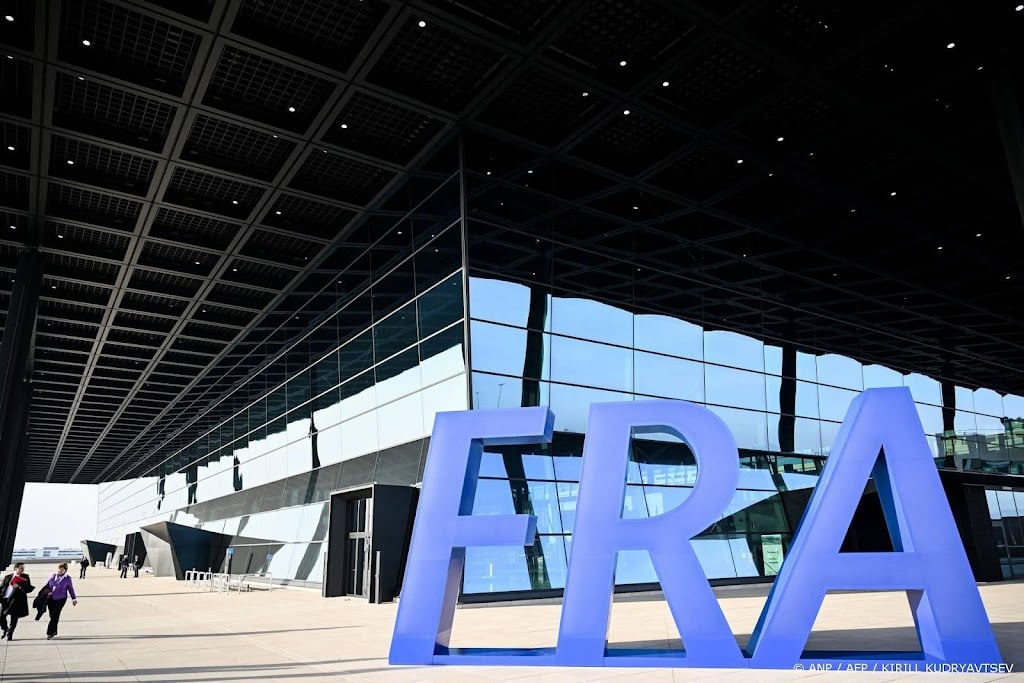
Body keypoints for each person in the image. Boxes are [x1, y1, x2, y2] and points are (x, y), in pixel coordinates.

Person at [0, 563, 34, 641]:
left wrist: (19, 586)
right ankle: (5, 629)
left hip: (16, 601)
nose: (23, 569)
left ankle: (10, 634)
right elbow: (2, 587)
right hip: (5, 599)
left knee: (14, 618)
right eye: (21, 568)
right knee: (1, 616)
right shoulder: (8, 577)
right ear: (16, 568)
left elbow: (28, 589)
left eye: (23, 568)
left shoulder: (25, 577)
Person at [43, 563, 77, 640]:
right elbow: (47, 586)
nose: (60, 570)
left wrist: (74, 599)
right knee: (52, 615)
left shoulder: (67, 578)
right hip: (51, 599)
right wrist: (47, 592)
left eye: (62, 569)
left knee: (55, 615)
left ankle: (49, 633)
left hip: (61, 599)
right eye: (59, 569)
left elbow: (70, 589)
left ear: (65, 570)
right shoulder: (53, 576)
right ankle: (54, 631)